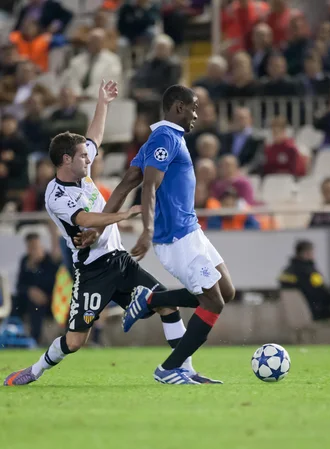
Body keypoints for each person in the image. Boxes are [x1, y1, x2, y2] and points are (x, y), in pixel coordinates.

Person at [4, 82, 218, 387]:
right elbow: (86, 219)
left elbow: (95, 136)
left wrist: (103, 103)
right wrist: (124, 214)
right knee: (76, 340)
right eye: (82, 157)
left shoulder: (81, 168)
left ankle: (182, 370)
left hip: (119, 260)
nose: (89, 159)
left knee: (166, 305)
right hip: (92, 271)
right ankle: (35, 370)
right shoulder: (55, 195)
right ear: (66, 160)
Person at [99, 85, 235, 385]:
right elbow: (147, 186)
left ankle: (151, 299)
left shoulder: (161, 139)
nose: (196, 115)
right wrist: (146, 231)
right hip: (177, 238)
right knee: (213, 302)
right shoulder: (163, 137)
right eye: (193, 107)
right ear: (177, 107)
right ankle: (170, 368)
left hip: (191, 231)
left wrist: (98, 226)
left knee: (226, 291)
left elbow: (124, 185)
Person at [10, 233, 59, 344]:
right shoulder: (25, 261)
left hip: (49, 300)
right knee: (13, 301)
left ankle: (35, 340)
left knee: (36, 305)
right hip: (29, 298)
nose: (32, 250)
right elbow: (19, 286)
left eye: (35, 247)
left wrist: (39, 292)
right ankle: (12, 336)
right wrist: (30, 290)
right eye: (30, 247)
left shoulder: (50, 261)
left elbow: (53, 284)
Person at [61, 29, 122, 99]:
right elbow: (72, 80)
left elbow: (109, 82)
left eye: (97, 41)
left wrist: (87, 95)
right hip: (76, 99)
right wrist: (78, 94)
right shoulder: (76, 61)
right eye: (92, 40)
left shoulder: (113, 60)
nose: (94, 43)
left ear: (103, 42)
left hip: (99, 99)